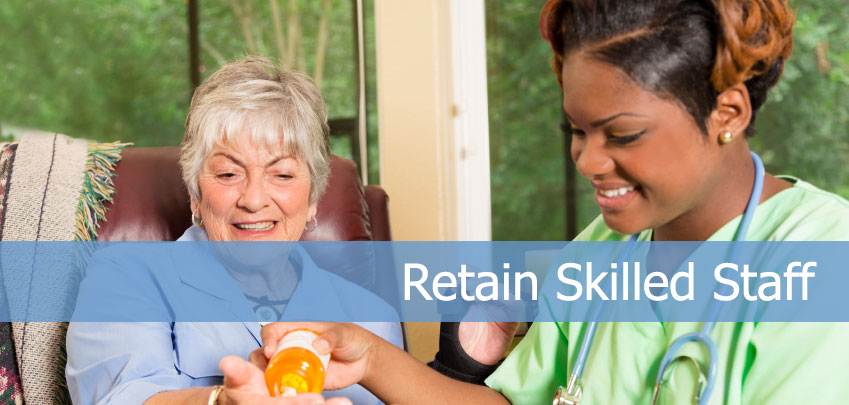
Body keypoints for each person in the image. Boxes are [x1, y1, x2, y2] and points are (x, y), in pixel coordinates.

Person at [257, 0, 849, 404]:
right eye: (577, 130)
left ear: (727, 113)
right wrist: (371, 359)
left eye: (621, 134)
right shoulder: (605, 250)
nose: (587, 160)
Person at [65, 56, 402, 405]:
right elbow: (122, 396)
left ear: (314, 196)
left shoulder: (375, 321)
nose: (254, 200)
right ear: (195, 194)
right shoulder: (124, 277)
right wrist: (221, 401)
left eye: (282, 174)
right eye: (228, 174)